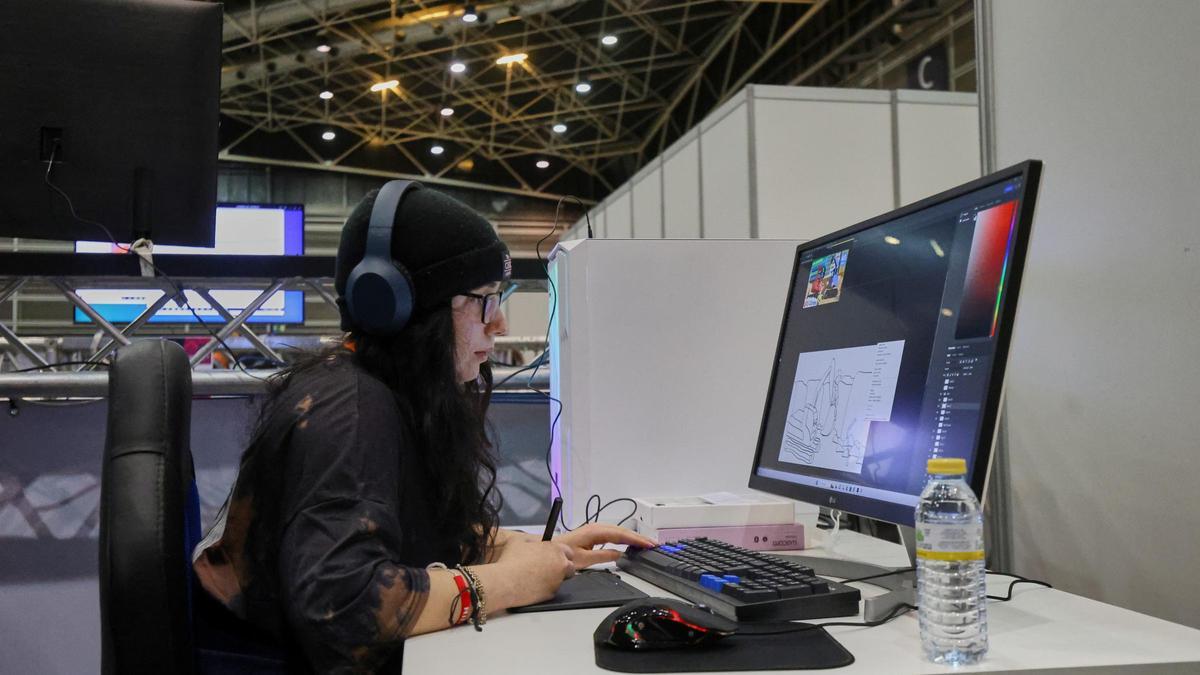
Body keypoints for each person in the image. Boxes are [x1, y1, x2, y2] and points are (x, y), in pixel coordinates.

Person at [192, 182, 655, 673]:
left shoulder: (375, 391)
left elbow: (394, 535)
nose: (498, 324)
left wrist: (529, 551)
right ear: (403, 307)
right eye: (484, 300)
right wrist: (511, 582)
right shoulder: (349, 413)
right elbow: (345, 608)